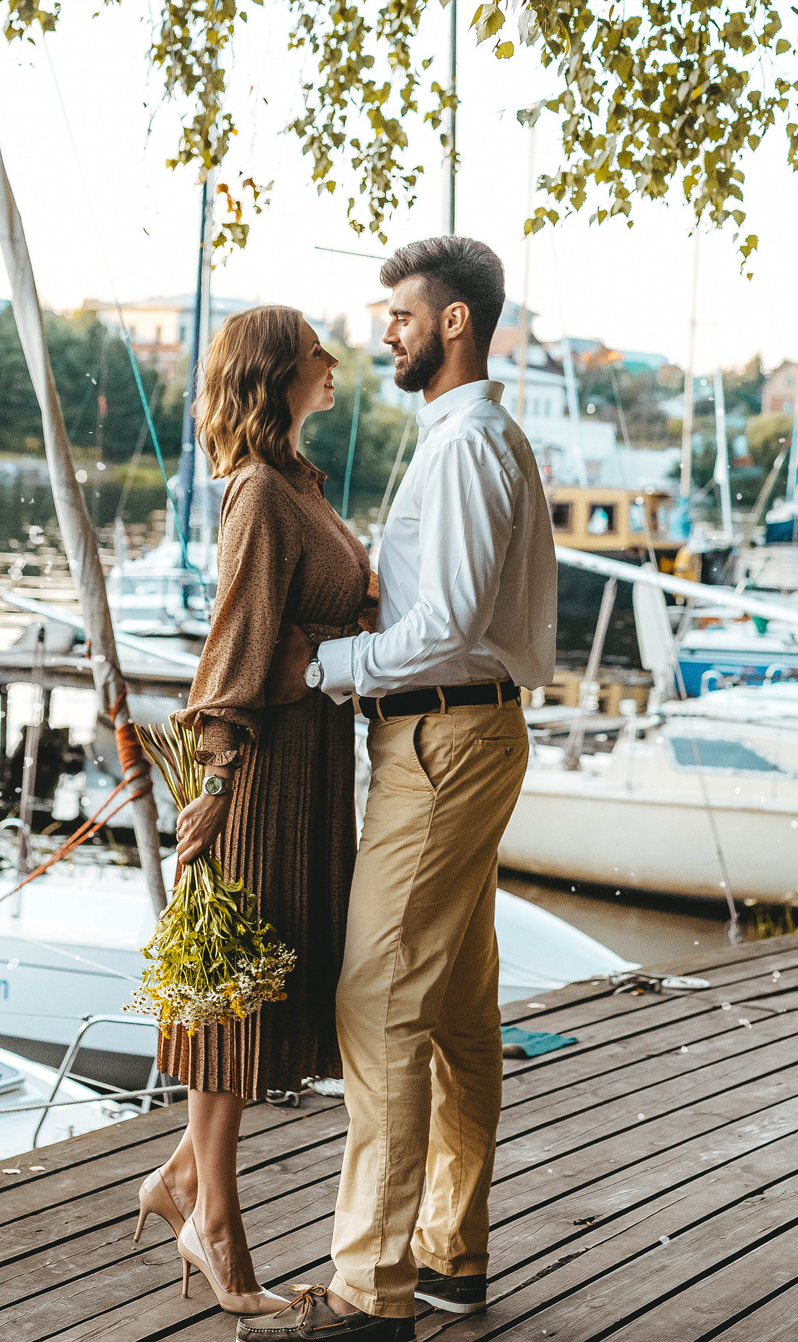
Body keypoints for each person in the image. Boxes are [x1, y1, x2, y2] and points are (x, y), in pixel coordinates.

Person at [240, 238, 557, 1342]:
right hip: (457, 737)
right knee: (460, 1012)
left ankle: (366, 1293)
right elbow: (439, 611)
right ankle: (448, 1257)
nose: (385, 329)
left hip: (441, 746)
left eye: (401, 313)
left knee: (375, 1005)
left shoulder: (466, 445)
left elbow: (453, 626)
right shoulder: (465, 439)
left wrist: (318, 668)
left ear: (456, 320)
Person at [133, 305, 374, 1317]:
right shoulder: (259, 494)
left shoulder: (295, 484)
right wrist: (217, 781)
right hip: (266, 768)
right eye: (318, 352)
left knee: (267, 980)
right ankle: (215, 1223)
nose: (334, 364)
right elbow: (235, 637)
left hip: (311, 757)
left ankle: (185, 1179)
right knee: (233, 999)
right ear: (278, 372)